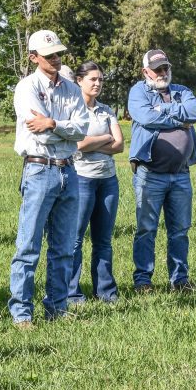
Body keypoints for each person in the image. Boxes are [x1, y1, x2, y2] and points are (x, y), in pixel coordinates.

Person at [8, 29, 89, 329]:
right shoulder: (26, 88)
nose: (56, 59)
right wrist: (63, 129)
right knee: (28, 245)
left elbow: (82, 129)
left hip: (69, 169)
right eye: (49, 55)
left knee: (64, 246)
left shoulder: (71, 88)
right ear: (33, 57)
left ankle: (56, 306)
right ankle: (22, 312)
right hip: (39, 169)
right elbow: (35, 127)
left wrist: (54, 123)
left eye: (58, 54)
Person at [127, 49, 196, 292]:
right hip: (150, 173)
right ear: (145, 71)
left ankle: (179, 280)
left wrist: (164, 110)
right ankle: (143, 280)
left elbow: (195, 113)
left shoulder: (182, 91)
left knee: (179, 230)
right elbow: (145, 117)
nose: (162, 73)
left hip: (181, 174)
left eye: (165, 68)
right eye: (157, 69)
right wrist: (179, 119)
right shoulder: (139, 91)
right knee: (147, 228)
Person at [68, 61, 123, 304]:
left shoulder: (106, 110)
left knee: (103, 239)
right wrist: (105, 138)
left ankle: (106, 292)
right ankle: (72, 293)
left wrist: (92, 141)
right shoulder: (73, 109)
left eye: (100, 79)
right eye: (93, 79)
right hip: (81, 178)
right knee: (75, 238)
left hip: (108, 180)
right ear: (79, 80)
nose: (98, 83)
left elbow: (120, 145)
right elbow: (77, 144)